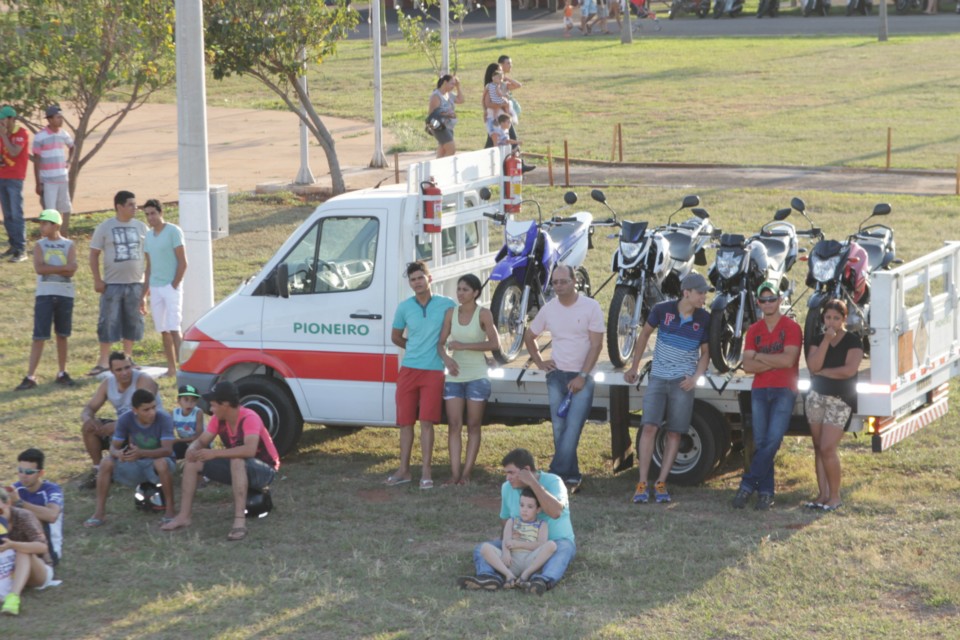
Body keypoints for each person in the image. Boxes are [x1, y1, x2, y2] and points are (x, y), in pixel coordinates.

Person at [624, 272, 711, 504]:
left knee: (675, 432)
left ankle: (661, 482)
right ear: (687, 293)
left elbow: (706, 354)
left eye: (704, 293)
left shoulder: (704, 318)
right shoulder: (662, 310)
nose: (704, 297)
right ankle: (642, 482)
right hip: (658, 378)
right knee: (649, 427)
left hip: (682, 382)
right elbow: (643, 336)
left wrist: (695, 378)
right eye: (700, 292)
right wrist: (634, 367)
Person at [161, 380, 281, 541]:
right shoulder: (219, 418)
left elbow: (249, 450)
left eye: (213, 405)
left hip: (265, 470)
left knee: (237, 459)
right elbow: (202, 440)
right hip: (238, 467)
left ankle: (239, 522)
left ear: (225, 404)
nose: (210, 409)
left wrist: (215, 453)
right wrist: (192, 448)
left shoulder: (250, 417)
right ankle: (184, 516)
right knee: (193, 462)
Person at [523, 263, 604, 492]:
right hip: (556, 376)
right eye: (555, 282)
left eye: (563, 281)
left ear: (574, 281)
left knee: (573, 427)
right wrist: (539, 362)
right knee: (559, 429)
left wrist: (582, 376)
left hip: (582, 377)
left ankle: (553, 477)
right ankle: (571, 478)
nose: (558, 286)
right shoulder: (549, 309)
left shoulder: (591, 307)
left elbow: (597, 346)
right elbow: (530, 337)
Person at [457, 448, 575, 595]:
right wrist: (504, 545)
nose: (507, 478)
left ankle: (540, 581)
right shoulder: (507, 488)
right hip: (518, 547)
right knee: (481, 548)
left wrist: (533, 483)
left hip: (552, 544)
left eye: (511, 473)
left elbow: (555, 512)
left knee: (563, 549)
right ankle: (489, 578)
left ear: (526, 470)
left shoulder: (554, 481)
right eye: (506, 473)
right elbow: (505, 519)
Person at [732, 281, 802, 511]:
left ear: (780, 300)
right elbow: (748, 366)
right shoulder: (754, 330)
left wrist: (761, 357)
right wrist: (771, 361)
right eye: (764, 300)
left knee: (772, 440)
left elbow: (788, 360)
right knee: (762, 442)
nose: (768, 303)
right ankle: (765, 493)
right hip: (760, 390)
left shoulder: (792, 327)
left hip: (785, 389)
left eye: (772, 299)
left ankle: (747, 485)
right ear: (758, 303)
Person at [386, 260, 456, 489]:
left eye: (420, 278)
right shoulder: (404, 307)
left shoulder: (447, 304)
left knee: (427, 422)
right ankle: (404, 470)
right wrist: (416, 347)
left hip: (433, 371)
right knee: (405, 422)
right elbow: (396, 337)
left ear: (429, 279)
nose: (416, 282)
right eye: (412, 279)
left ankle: (426, 471)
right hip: (408, 370)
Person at [438, 273, 499, 485]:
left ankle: (466, 474)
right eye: (459, 289)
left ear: (475, 292)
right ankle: (454, 474)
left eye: (465, 290)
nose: (460, 293)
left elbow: (494, 344)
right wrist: (446, 359)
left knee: (473, 426)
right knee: (454, 425)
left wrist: (463, 346)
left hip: (478, 376)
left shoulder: (484, 314)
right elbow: (440, 343)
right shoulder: (450, 313)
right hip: (455, 376)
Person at [84, 389, 176, 528]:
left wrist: (141, 453)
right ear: (135, 410)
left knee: (161, 463)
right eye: (146, 410)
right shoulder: (125, 419)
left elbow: (167, 450)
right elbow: (113, 447)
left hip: (159, 462)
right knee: (106, 462)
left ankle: (170, 511)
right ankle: (99, 513)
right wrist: (118, 454)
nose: (151, 412)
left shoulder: (164, 418)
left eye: (153, 408)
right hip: (136, 461)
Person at [804, 299, 862, 512]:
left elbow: (848, 371)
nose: (832, 321)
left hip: (840, 399)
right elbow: (813, 365)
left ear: (844, 319)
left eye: (836, 318)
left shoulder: (853, 341)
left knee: (828, 447)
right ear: (823, 318)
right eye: (828, 317)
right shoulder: (818, 339)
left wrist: (823, 373)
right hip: (816, 397)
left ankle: (835, 496)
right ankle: (823, 494)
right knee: (818, 447)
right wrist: (826, 341)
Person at [14, 209, 78, 391]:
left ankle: (62, 372)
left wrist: (55, 268)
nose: (41, 227)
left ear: (56, 225)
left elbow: (72, 270)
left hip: (65, 294)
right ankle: (30, 375)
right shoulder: (39, 245)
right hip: (45, 294)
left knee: (62, 335)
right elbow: (39, 269)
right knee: (39, 335)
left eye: (45, 223)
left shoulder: (69, 245)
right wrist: (64, 267)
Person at [79, 351, 161, 488]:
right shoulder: (108, 383)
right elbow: (89, 407)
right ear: (111, 371)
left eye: (127, 367)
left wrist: (119, 425)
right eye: (119, 369)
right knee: (89, 428)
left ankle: (122, 469)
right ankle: (99, 470)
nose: (124, 373)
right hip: (125, 426)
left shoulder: (143, 380)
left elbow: (145, 413)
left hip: (149, 426)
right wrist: (88, 419)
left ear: (132, 366)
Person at [88, 190, 148, 375]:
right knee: (108, 321)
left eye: (135, 204)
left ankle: (127, 358)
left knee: (133, 321)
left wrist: (146, 287)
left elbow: (149, 255)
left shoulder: (141, 227)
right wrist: (97, 279)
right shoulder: (105, 227)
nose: (135, 208)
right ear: (119, 206)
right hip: (112, 284)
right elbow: (94, 253)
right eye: (130, 204)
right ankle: (104, 360)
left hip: (136, 283)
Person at [477, 488, 557, 588]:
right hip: (512, 560)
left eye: (530, 507)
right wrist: (506, 553)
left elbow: (540, 544)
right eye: (522, 505)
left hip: (530, 560)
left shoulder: (542, 524)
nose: (524, 509)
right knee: (485, 547)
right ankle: (509, 575)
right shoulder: (512, 521)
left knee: (551, 545)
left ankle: (526, 575)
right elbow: (506, 540)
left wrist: (518, 543)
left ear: (538, 509)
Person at [143, 199, 187, 377]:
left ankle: (185, 368)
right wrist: (144, 293)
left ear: (161, 213)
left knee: (175, 328)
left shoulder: (173, 231)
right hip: (155, 286)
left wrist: (174, 284)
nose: (150, 217)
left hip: (171, 286)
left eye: (153, 213)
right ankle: (171, 368)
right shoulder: (148, 236)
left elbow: (183, 262)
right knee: (164, 330)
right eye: (147, 214)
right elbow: (149, 266)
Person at [0, 490, 58, 617]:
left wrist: (13, 545)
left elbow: (43, 547)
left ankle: (13, 598)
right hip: (8, 568)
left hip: (37, 567)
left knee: (23, 551)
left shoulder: (23, 516)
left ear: (8, 503)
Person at [8, 449, 63, 567]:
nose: (23, 475)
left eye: (29, 472)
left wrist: (19, 502)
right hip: (22, 545)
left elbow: (52, 515)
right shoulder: (15, 488)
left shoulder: (51, 489)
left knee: (30, 516)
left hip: (48, 549)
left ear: (40, 473)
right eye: (20, 471)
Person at [31, 105, 74, 235]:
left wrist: (69, 161)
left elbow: (72, 146)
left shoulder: (63, 133)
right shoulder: (40, 137)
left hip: (62, 178)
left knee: (61, 209)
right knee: (50, 211)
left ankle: (57, 235)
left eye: (61, 117)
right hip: (48, 180)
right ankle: (49, 236)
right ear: (49, 120)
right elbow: (36, 160)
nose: (61, 120)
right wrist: (38, 183)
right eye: (58, 117)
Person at [0, 105, 29, 262]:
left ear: (11, 119)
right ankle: (13, 245)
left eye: (3, 119)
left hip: (15, 178)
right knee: (7, 214)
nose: (1, 122)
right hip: (2, 176)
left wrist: (4, 136)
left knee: (16, 213)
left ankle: (21, 249)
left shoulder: (21, 133)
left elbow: (14, 152)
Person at [427, 75, 464, 159]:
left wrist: (458, 87)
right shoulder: (436, 96)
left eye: (454, 85)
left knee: (442, 150)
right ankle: (443, 169)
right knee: (451, 149)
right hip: (438, 126)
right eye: (452, 84)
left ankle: (436, 169)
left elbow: (461, 100)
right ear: (445, 82)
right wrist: (447, 114)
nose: (453, 87)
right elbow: (431, 114)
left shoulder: (449, 94)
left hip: (448, 127)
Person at [172, 384, 205, 460]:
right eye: (186, 400)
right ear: (179, 400)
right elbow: (169, 432)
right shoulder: (174, 413)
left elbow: (198, 437)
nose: (190, 404)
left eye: (193, 400)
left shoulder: (198, 413)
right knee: (174, 448)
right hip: (185, 442)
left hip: (199, 443)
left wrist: (178, 440)